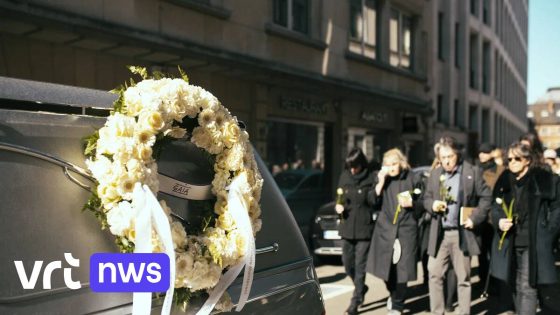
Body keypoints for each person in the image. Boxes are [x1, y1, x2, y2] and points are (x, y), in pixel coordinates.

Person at [423, 136, 492, 315]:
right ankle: (437, 312)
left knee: (463, 278)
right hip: (439, 232)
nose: (446, 161)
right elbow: (427, 197)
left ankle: (463, 312)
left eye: (450, 156)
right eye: (442, 157)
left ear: (457, 155)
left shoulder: (472, 172)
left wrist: (475, 218)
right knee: (434, 274)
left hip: (462, 232)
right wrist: (432, 205)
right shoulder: (435, 174)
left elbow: (486, 197)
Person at [490, 142, 560, 315]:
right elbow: (495, 207)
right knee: (513, 284)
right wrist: (499, 221)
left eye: (517, 159)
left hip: (534, 241)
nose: (512, 162)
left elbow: (557, 208)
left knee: (527, 286)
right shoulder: (505, 179)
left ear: (527, 160)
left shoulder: (543, 178)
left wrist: (548, 232)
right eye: (509, 159)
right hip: (510, 240)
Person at [366, 148, 424, 315]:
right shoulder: (382, 179)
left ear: (402, 163)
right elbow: (372, 201)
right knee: (386, 269)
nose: (391, 168)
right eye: (387, 165)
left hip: (406, 231)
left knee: (402, 271)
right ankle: (393, 294)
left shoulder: (413, 178)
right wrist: (380, 182)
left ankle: (398, 305)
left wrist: (412, 204)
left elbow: (423, 203)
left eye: (394, 164)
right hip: (385, 231)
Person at [335, 148, 376, 315]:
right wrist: (339, 205)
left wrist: (377, 188)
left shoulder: (370, 178)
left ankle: (355, 301)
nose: (353, 170)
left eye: (355, 167)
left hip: (364, 229)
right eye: (350, 166)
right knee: (348, 265)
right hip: (347, 228)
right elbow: (339, 196)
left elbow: (373, 201)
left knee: (360, 267)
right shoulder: (344, 176)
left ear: (362, 164)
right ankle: (362, 288)